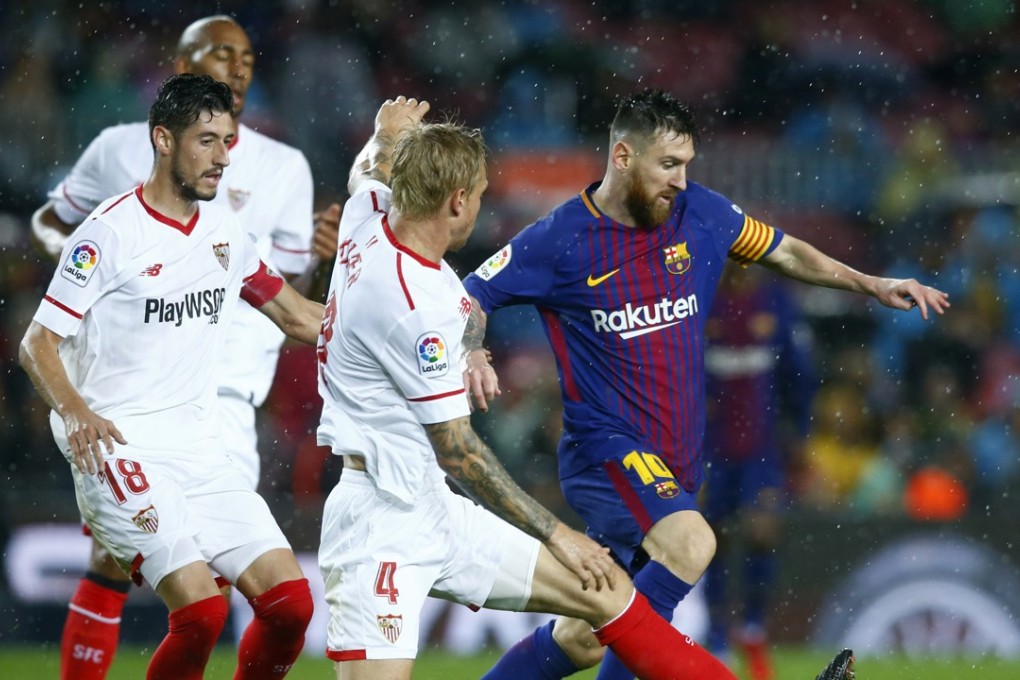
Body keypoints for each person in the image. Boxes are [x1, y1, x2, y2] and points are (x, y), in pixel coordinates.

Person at [462, 88, 944, 680]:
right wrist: (471, 348)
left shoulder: (703, 215)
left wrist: (869, 283)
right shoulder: (559, 239)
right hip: (606, 452)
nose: (681, 180)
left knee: (587, 634)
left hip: (677, 463)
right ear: (621, 157)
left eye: (687, 164)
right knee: (691, 543)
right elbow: (469, 295)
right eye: (668, 165)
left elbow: (784, 251)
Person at [314, 95, 740, 680]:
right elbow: (461, 453)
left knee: (606, 597)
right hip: (377, 521)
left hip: (433, 504)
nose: (482, 208)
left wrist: (386, 133)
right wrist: (559, 534)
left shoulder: (368, 222)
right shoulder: (417, 308)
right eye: (482, 194)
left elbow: (367, 170)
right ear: (458, 200)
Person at [29, 16, 334, 679]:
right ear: (163, 141)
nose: (223, 158)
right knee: (199, 613)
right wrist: (76, 412)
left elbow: (297, 314)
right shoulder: (107, 234)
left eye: (227, 142)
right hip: (121, 445)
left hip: (202, 447)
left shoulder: (224, 232)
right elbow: (37, 343)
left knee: (291, 606)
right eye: (206, 142)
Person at [701, 264, 815, 679]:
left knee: (762, 530)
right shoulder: (701, 298)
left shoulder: (776, 302)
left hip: (761, 446)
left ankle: (752, 626)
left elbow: (799, 372)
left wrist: (801, 430)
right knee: (712, 537)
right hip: (710, 443)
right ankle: (716, 634)